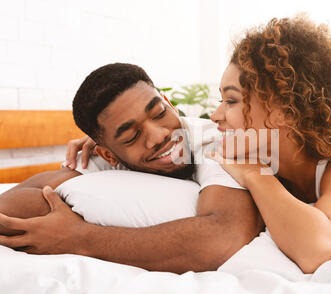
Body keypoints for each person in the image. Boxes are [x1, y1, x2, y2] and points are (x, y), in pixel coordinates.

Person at [0, 63, 264, 274]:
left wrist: (80, 238)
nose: (159, 135)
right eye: (130, 136)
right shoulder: (103, 158)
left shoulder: (214, 141)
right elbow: (19, 203)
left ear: (168, 103)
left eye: (159, 113)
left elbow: (224, 238)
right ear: (107, 153)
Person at [206, 15, 331, 273]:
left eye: (231, 101)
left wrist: (255, 175)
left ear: (285, 110)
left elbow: (320, 251)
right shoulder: (264, 158)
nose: (216, 116)